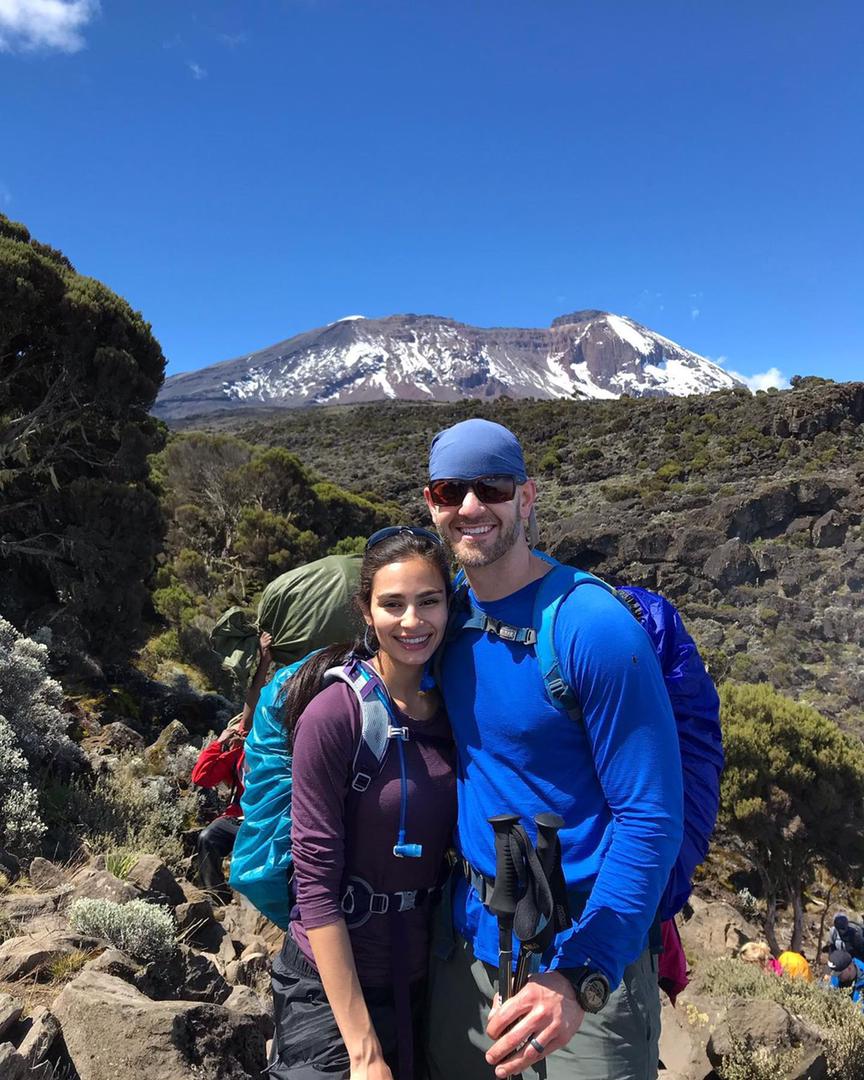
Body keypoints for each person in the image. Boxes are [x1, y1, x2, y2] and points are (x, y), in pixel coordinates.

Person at [422, 418, 684, 1080]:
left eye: (494, 487)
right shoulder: (442, 619)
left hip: (586, 964)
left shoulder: (588, 626)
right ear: (432, 504)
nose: (472, 507)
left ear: (527, 498)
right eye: (453, 491)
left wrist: (580, 972)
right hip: (471, 953)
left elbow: (651, 815)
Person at [268, 526, 456, 1080]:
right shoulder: (334, 716)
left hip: (422, 981)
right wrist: (363, 1050)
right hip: (329, 991)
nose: (412, 621)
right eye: (392, 604)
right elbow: (315, 884)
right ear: (367, 612)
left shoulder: (453, 709)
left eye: (429, 602)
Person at [191, 632, 272, 902]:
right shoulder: (239, 747)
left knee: (254, 865)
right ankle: (217, 899)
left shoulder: (280, 748)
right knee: (207, 838)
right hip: (237, 818)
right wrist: (220, 743)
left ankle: (256, 906)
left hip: (265, 820)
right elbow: (201, 777)